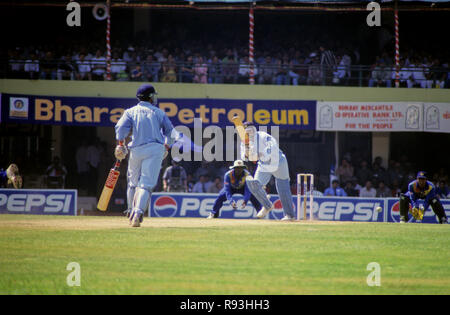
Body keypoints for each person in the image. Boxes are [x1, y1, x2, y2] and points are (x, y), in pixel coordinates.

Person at [114, 84, 180, 227]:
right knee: (146, 184)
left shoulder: (130, 112)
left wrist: (121, 144)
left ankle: (130, 210)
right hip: (155, 149)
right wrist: (167, 147)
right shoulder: (158, 112)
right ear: (150, 97)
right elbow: (172, 133)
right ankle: (138, 212)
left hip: (136, 149)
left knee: (132, 183)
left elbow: (120, 129)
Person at [240, 122, 295, 221]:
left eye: (250, 130)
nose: (249, 133)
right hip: (264, 165)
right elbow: (245, 157)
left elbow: (273, 146)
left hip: (278, 161)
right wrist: (247, 152)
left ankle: (290, 215)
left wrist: (261, 154)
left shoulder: (262, 136)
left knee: (283, 189)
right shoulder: (244, 142)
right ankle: (267, 205)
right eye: (246, 131)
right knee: (253, 184)